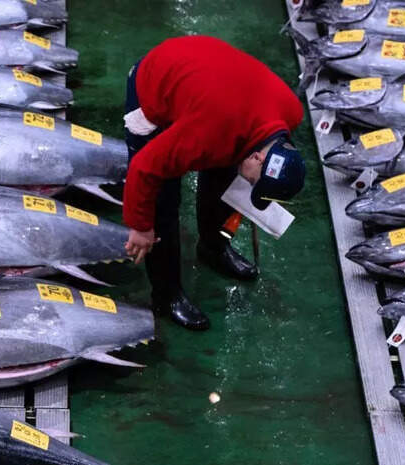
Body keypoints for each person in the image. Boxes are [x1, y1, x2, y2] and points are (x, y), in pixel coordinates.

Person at [122, 36, 305, 331]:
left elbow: (240, 161)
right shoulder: (207, 133)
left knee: (225, 179)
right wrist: (141, 227)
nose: (249, 182)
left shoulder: (290, 115)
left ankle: (212, 246)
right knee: (163, 202)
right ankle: (167, 295)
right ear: (259, 157)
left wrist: (247, 179)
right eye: (254, 179)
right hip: (156, 83)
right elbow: (144, 168)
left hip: (209, 87)